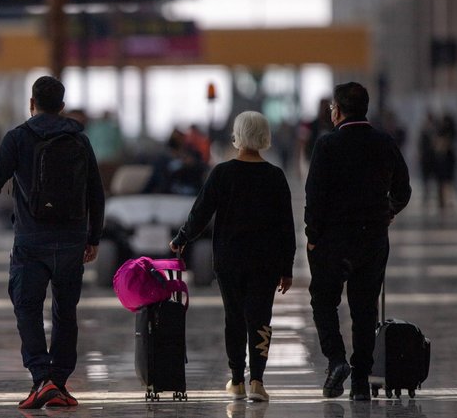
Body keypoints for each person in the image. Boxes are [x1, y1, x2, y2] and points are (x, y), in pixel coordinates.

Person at [0, 76, 105, 409]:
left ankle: (42, 378)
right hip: (71, 241)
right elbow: (96, 191)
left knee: (27, 309)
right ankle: (60, 383)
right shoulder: (79, 139)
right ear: (62, 106)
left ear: (31, 102)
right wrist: (93, 238)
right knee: (66, 312)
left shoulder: (18, 138)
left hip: (31, 241)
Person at [169, 111, 295, 403]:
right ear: (265, 136)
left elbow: (200, 212)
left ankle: (237, 379)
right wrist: (286, 268)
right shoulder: (275, 176)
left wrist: (181, 239)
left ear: (237, 135)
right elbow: (286, 227)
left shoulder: (222, 173)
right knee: (261, 319)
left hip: (229, 260)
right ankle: (258, 382)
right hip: (265, 262)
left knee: (234, 318)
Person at [305, 82, 411, 402]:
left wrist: (312, 237)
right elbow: (403, 190)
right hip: (373, 239)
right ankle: (362, 380)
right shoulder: (384, 142)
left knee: (324, 300)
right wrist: (387, 211)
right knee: (364, 309)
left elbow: (315, 197)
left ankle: (337, 361)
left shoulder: (326, 145)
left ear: (337, 110)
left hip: (334, 241)